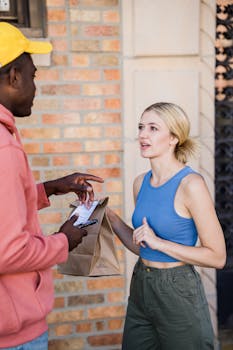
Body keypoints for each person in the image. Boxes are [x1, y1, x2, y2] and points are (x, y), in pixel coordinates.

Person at [0, 22, 103, 349]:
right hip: (13, 335)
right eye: (33, 76)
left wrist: (48, 189)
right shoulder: (4, 148)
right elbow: (8, 250)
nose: (35, 86)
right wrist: (64, 240)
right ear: (14, 76)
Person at [106, 102, 226, 350]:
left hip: (177, 289)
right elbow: (143, 247)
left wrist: (160, 242)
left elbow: (217, 257)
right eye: (141, 127)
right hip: (142, 285)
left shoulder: (191, 185)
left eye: (153, 128)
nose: (142, 134)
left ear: (173, 138)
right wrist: (106, 214)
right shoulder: (141, 183)